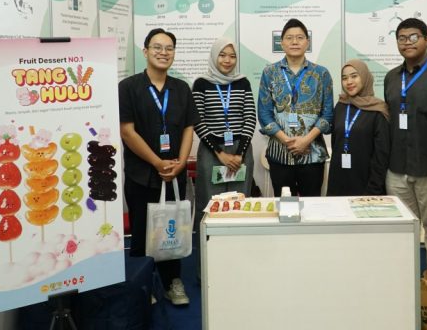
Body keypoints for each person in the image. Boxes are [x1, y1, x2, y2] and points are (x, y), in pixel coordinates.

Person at [119, 28, 198, 306]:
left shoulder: (181, 88)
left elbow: (188, 128)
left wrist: (181, 162)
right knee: (142, 231)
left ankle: (171, 281)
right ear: (145, 51)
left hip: (174, 174)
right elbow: (127, 131)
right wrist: (156, 162)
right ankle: (142, 285)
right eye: (157, 47)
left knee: (172, 229)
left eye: (169, 48)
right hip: (142, 174)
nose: (163, 53)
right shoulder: (128, 87)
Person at [383, 18, 427, 270]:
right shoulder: (391, 78)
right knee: (402, 230)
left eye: (413, 37)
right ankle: (406, 282)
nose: (407, 42)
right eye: (402, 38)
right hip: (397, 169)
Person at [257, 18, 333, 196]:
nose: (294, 42)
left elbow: (328, 114)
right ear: (282, 43)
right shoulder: (270, 72)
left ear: (307, 42)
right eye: (289, 38)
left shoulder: (321, 73)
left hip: (313, 155)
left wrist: (306, 141)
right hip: (279, 156)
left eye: (300, 37)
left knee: (312, 206)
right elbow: (264, 114)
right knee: (285, 206)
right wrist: (288, 141)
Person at [192, 37, 257, 229]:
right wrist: (220, 153)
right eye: (222, 55)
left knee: (239, 201)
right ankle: (207, 242)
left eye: (232, 56)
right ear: (214, 56)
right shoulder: (201, 83)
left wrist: (239, 154)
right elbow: (198, 120)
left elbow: (250, 117)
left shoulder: (242, 82)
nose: (227, 60)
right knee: (211, 202)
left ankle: (237, 240)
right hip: (212, 151)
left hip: (240, 151)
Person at [327, 59, 390, 196]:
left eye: (354, 76)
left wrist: (374, 188)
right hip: (338, 180)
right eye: (344, 78)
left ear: (365, 77)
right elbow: (336, 143)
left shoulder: (378, 110)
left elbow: (381, 156)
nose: (349, 82)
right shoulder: (341, 105)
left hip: (366, 183)